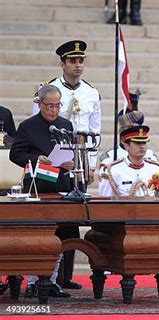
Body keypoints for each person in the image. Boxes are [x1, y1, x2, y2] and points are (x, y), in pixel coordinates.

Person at [32, 40, 101, 289]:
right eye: (72, 61)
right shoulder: (46, 90)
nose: (78, 65)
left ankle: (66, 277)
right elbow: (36, 128)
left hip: (78, 161)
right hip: (53, 162)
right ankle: (43, 276)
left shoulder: (91, 92)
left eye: (81, 60)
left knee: (72, 221)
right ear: (62, 64)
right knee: (51, 218)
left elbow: (96, 130)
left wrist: (91, 164)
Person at [10, 84, 75, 298]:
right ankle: (31, 282)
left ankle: (53, 281)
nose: (54, 110)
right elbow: (15, 155)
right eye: (50, 106)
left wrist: (70, 164)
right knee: (36, 237)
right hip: (37, 187)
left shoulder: (65, 125)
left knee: (58, 236)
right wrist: (35, 159)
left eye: (57, 106)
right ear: (39, 104)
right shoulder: (28, 126)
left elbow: (71, 152)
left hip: (61, 186)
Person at [99, 123, 159, 197]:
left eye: (144, 142)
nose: (142, 147)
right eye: (137, 143)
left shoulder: (156, 170)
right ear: (126, 146)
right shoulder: (113, 171)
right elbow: (105, 201)